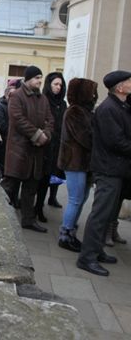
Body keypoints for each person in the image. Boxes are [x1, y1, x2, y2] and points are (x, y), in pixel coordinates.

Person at [77, 70, 131, 276]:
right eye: (128, 81)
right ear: (119, 87)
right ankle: (87, 257)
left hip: (117, 169)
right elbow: (115, 141)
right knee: (100, 215)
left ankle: (97, 251)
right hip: (108, 169)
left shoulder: (121, 106)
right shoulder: (109, 109)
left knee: (107, 213)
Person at [0, 65, 54, 233]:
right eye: (37, 77)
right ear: (28, 79)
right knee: (10, 186)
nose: (39, 81)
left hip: (36, 152)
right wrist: (37, 135)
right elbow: (18, 119)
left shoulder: (43, 99)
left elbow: (50, 120)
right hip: (19, 150)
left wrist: (46, 135)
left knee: (31, 188)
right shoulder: (17, 96)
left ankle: (28, 220)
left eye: (41, 78)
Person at [57, 78, 97, 252]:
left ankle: (71, 232)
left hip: (85, 163)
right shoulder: (74, 111)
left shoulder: (86, 111)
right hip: (74, 162)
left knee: (81, 199)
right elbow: (85, 138)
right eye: (92, 91)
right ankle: (65, 235)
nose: (95, 95)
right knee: (75, 199)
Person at [35, 72, 67, 222]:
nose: (58, 87)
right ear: (49, 85)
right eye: (55, 84)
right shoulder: (42, 100)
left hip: (56, 146)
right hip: (43, 144)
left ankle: (40, 207)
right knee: (38, 179)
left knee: (49, 178)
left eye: (60, 85)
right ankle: (32, 207)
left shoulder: (63, 103)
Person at [0, 79, 21, 169]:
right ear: (7, 95)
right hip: (4, 142)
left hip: (14, 142)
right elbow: (1, 125)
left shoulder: (16, 106)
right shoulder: (0, 107)